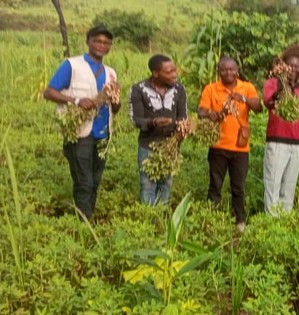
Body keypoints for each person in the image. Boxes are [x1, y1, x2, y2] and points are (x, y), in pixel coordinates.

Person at [43, 26, 120, 219]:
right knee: (84, 181)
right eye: (98, 41)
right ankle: (84, 224)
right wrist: (76, 101)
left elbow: (115, 108)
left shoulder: (111, 72)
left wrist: (116, 102)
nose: (102, 46)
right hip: (79, 133)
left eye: (106, 43)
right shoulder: (72, 65)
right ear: (88, 42)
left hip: (103, 133)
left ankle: (87, 217)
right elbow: (49, 92)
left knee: (95, 180)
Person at [198, 57, 261, 232]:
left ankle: (240, 221)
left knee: (239, 187)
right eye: (224, 69)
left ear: (237, 71)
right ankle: (211, 220)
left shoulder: (246, 87)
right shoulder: (211, 89)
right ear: (219, 72)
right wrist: (211, 113)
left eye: (231, 69)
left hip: (240, 148)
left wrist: (243, 99)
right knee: (215, 185)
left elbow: (258, 107)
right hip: (218, 147)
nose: (228, 72)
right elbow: (201, 111)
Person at [129, 54, 188, 205]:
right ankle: (149, 219)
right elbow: (135, 119)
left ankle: (161, 217)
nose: (174, 75)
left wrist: (183, 129)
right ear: (155, 73)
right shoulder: (139, 89)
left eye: (174, 70)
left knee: (166, 184)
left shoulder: (179, 89)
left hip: (171, 146)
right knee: (147, 185)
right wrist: (153, 122)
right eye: (169, 72)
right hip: (148, 146)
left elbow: (182, 115)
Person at [262, 45, 299, 215]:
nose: (294, 69)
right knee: (273, 183)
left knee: (289, 186)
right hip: (277, 141)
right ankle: (271, 221)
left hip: (295, 143)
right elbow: (268, 103)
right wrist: (282, 85)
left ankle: (285, 221)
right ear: (284, 66)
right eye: (290, 65)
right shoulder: (272, 83)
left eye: (297, 67)